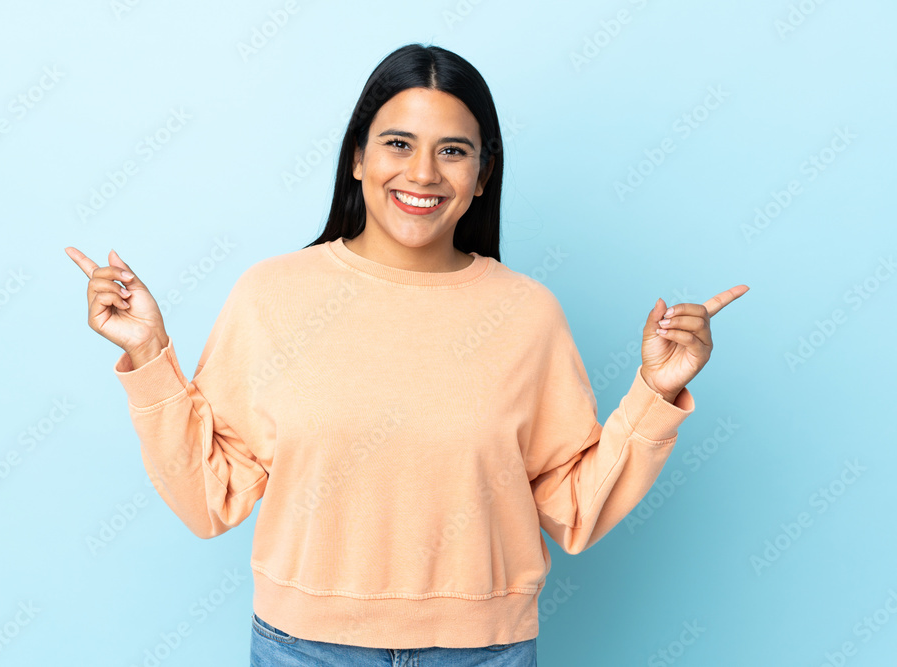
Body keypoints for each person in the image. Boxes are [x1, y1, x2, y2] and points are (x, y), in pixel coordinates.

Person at [66, 42, 747, 666]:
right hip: (306, 649)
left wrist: (654, 395)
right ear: (358, 157)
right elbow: (206, 500)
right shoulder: (272, 295)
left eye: (454, 150)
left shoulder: (527, 312)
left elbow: (572, 508)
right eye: (398, 143)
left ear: (483, 175)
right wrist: (150, 356)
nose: (423, 172)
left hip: (486, 652)